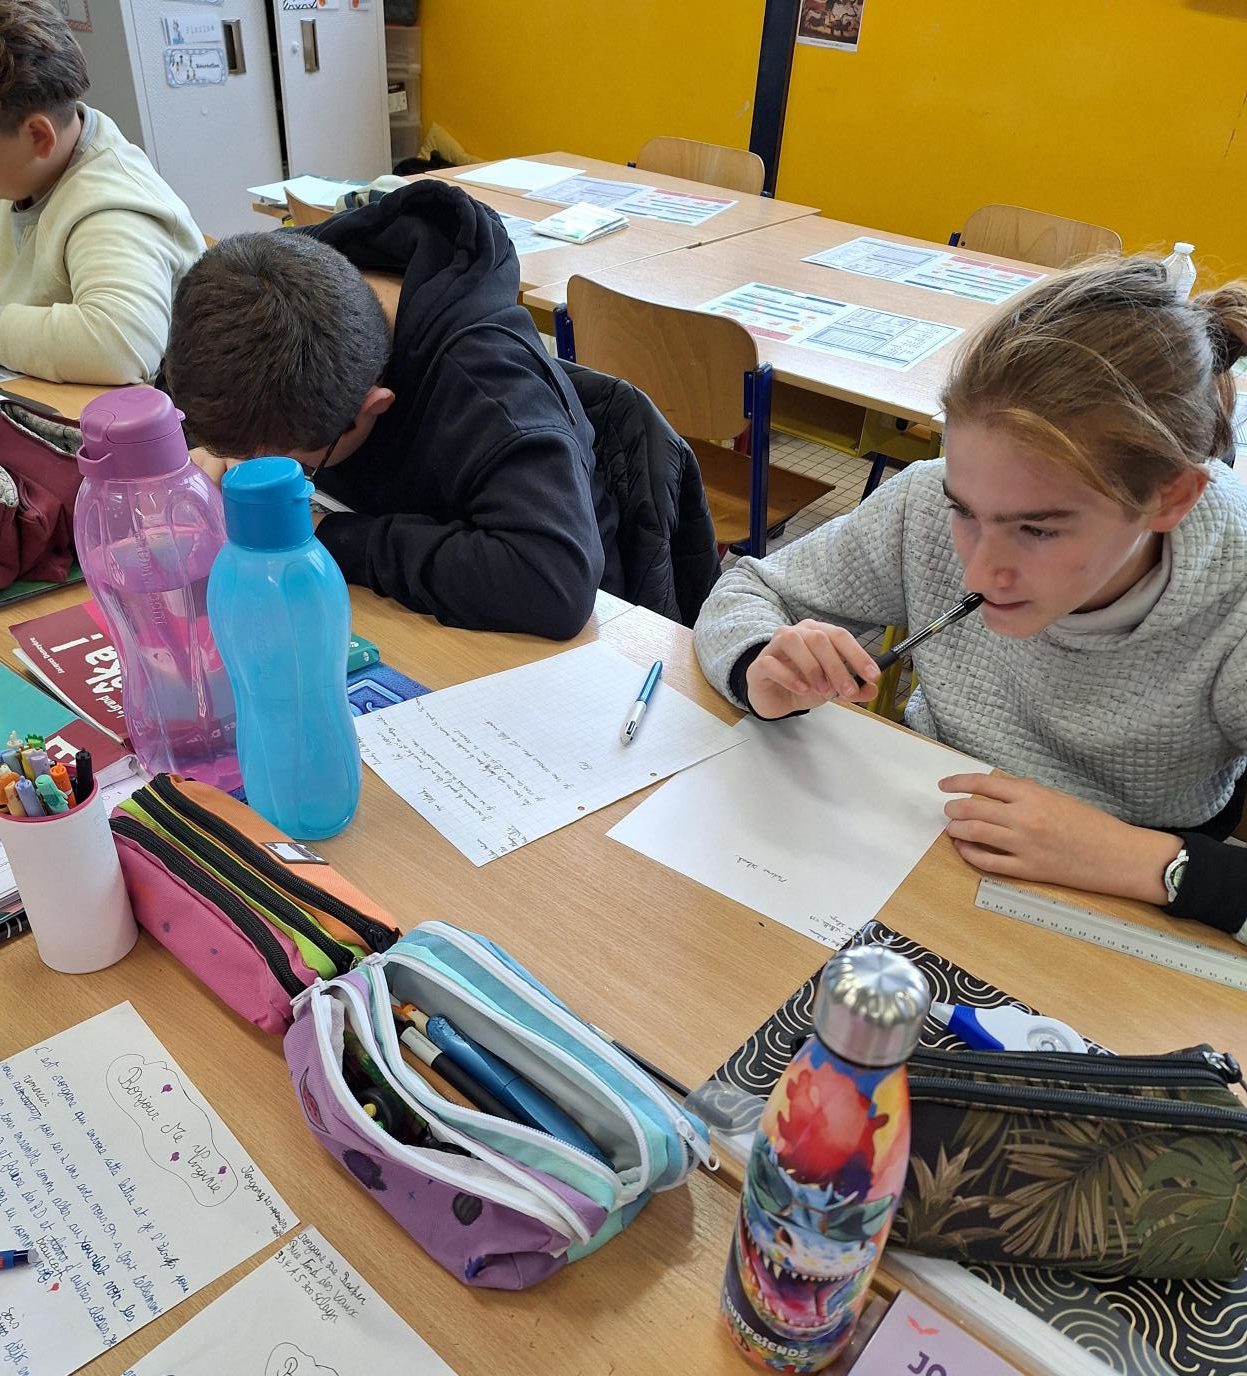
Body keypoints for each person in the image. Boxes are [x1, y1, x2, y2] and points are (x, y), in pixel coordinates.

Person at [694, 257, 1247, 942]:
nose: (979, 572)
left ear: (1170, 497)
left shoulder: (1234, 591)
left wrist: (1141, 859)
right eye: (965, 510)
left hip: (1129, 896)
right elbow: (750, 586)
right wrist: (761, 663)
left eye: (1037, 530)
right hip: (923, 834)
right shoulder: (926, 500)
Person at [163, 183, 607, 639]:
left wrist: (330, 535)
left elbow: (555, 584)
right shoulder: (263, 283)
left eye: (298, 466)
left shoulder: (491, 392)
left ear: (374, 405)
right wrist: (218, 444)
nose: (252, 468)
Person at [0, 0, 204, 384]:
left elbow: (120, 346)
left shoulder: (113, 208)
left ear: (39, 136)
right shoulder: (25, 172)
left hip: (132, 413)